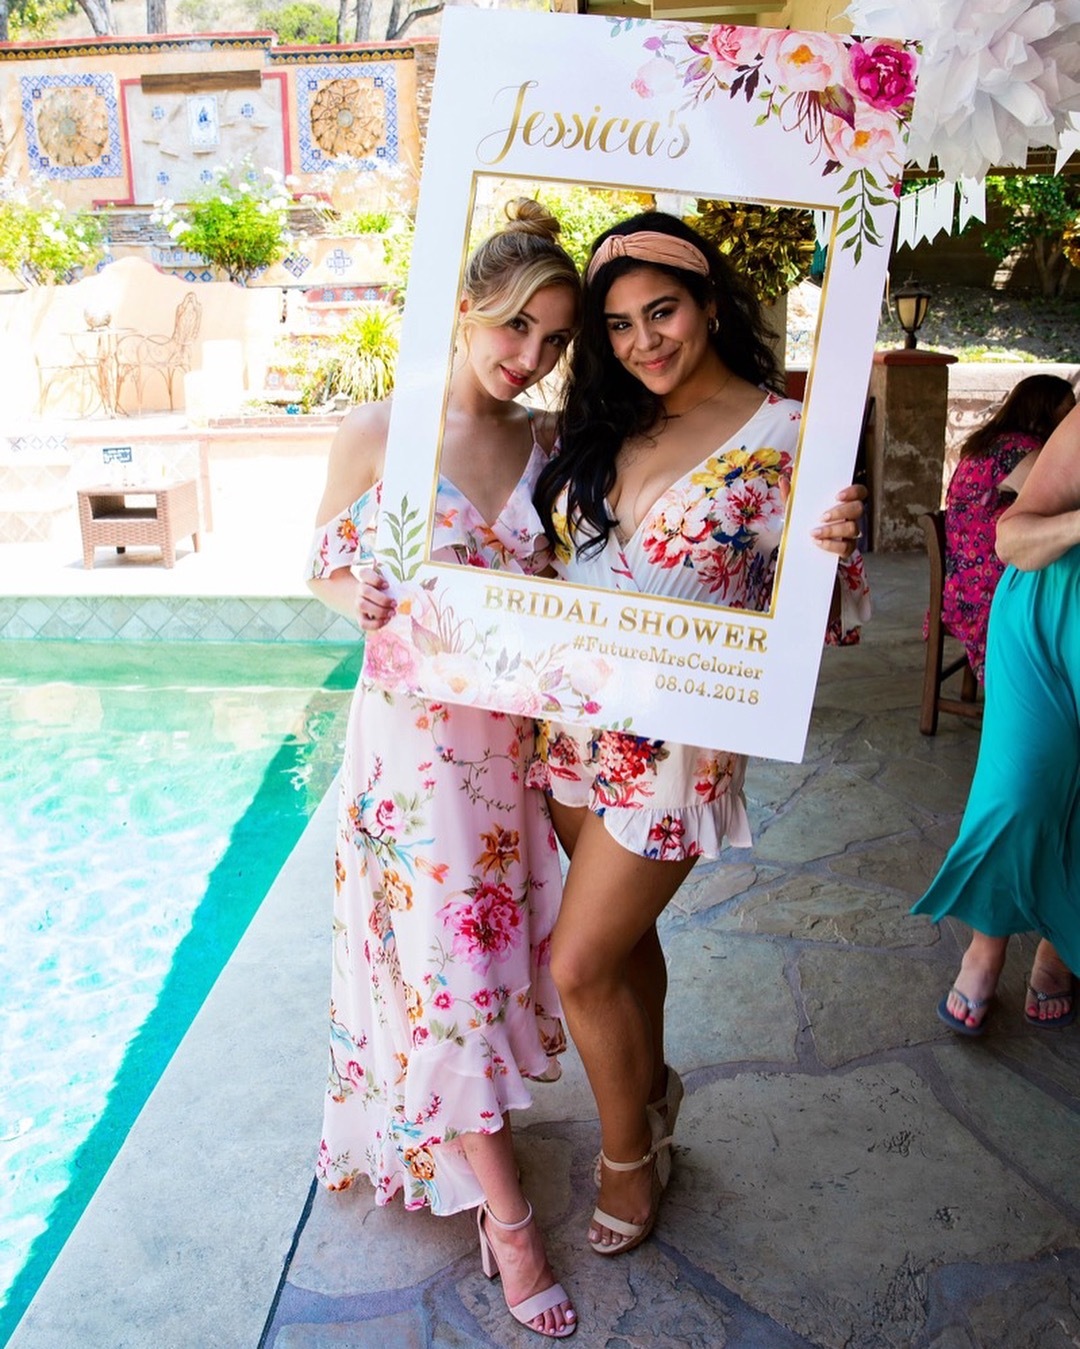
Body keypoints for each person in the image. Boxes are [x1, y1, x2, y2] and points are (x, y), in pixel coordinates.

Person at [529, 211, 868, 1256]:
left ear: (711, 304)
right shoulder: (606, 423)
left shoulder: (791, 435)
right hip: (572, 729)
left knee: (578, 961)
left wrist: (833, 541)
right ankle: (652, 1090)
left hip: (679, 743)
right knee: (625, 942)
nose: (644, 341)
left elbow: (827, 615)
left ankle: (630, 1155)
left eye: (663, 311)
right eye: (619, 324)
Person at [306, 199, 580, 1339]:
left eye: (554, 340)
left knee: (496, 956)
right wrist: (357, 594)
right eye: (517, 327)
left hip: (513, 752)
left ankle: (468, 1129)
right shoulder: (381, 429)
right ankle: (509, 1221)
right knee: (451, 967)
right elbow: (321, 563)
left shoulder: (553, 445)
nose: (531, 357)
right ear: (466, 308)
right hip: (413, 754)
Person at [914, 399, 1080, 1036]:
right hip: (1048, 615)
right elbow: (1010, 537)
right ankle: (986, 946)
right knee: (1018, 790)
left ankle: (1059, 946)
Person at [937, 373, 1075, 681]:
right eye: (1067, 410)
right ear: (1043, 410)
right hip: (988, 586)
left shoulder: (989, 442)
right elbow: (1063, 505)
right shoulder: (1018, 451)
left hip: (962, 584)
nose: (1071, 420)